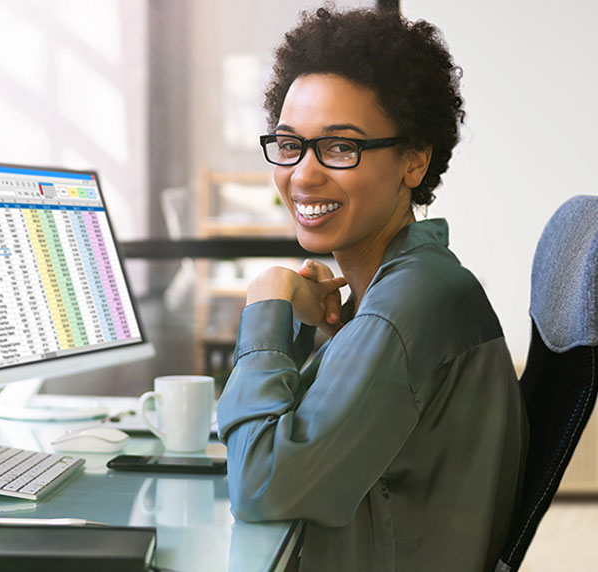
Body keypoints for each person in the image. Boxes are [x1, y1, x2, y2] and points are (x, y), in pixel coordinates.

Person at [215, 6, 527, 571]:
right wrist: (304, 327)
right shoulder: (402, 286)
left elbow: (261, 486)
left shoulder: (406, 307)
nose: (303, 174)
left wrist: (267, 299)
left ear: (414, 160)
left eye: (340, 148)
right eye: (289, 144)